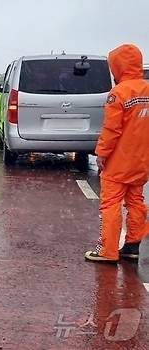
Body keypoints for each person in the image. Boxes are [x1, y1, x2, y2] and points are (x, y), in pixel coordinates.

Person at [85, 44, 149, 262]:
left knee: (110, 204)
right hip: (141, 161)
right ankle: (133, 245)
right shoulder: (147, 90)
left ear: (118, 67)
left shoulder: (119, 93)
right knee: (136, 202)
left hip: (119, 162)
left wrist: (101, 154)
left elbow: (112, 129)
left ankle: (108, 250)